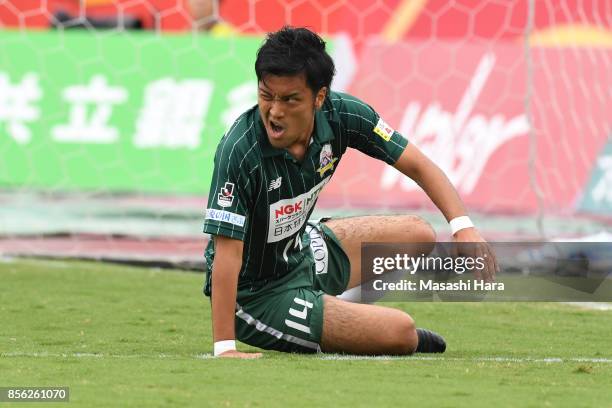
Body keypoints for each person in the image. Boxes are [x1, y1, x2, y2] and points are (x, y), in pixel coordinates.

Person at [202, 26, 497, 359]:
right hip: (258, 294)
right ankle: (353, 323)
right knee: (400, 332)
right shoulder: (239, 151)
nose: (274, 111)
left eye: (290, 99)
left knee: (419, 234)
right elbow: (226, 254)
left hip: (303, 251)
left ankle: (337, 311)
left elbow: (419, 164)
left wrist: (462, 226)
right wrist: (224, 348)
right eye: (266, 96)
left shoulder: (343, 116)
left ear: (319, 97)